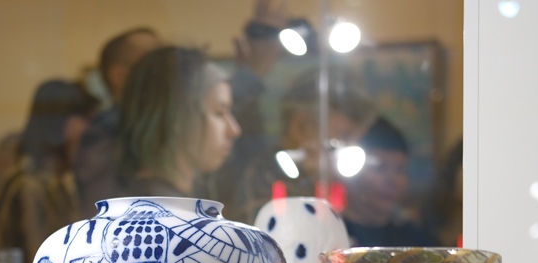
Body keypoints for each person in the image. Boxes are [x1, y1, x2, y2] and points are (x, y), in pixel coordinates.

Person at [220, 65, 376, 223]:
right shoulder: (263, 178)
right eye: (344, 136)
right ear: (301, 125)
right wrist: (316, 185)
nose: (349, 149)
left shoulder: (340, 182)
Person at [0, 79, 97, 263]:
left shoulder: (52, 183)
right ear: (63, 123)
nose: (85, 128)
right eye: (82, 118)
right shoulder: (29, 186)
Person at [118, 46, 241, 198]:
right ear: (177, 116)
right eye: (219, 113)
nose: (234, 130)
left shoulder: (150, 197)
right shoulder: (158, 207)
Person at [72, 27, 160, 218]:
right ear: (119, 76)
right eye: (153, 63)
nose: (166, 71)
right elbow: (105, 214)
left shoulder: (144, 127)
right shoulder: (108, 131)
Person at [342, 116, 436, 247]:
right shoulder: (332, 232)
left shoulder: (414, 239)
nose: (392, 181)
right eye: (380, 168)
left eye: (400, 170)